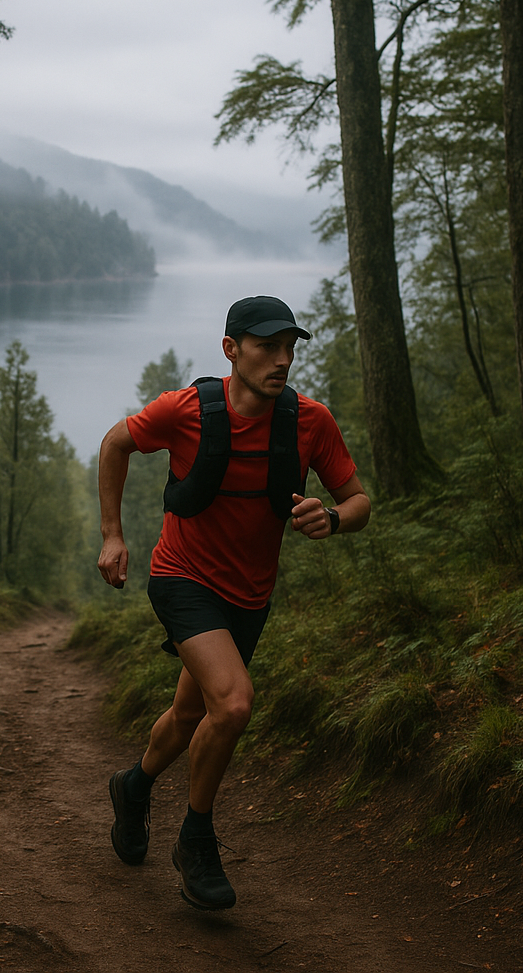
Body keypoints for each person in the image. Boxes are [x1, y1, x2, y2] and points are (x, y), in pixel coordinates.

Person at [95, 295, 370, 911]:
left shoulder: (310, 421)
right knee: (235, 702)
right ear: (231, 350)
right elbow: (115, 444)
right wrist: (113, 535)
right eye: (267, 346)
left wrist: (332, 518)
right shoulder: (187, 409)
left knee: (194, 714)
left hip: (250, 596)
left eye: (290, 348)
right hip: (182, 577)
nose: (282, 360)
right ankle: (196, 839)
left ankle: (133, 788)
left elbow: (358, 501)